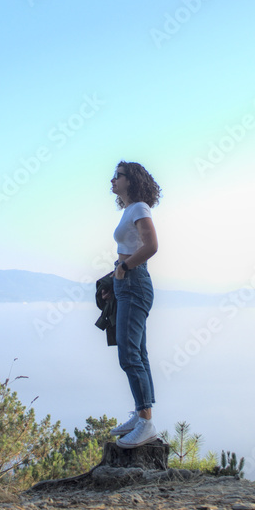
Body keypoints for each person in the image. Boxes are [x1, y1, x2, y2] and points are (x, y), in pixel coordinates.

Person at [106, 160, 160, 448]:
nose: (113, 181)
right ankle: (142, 417)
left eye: (118, 176)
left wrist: (124, 270)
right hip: (127, 282)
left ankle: (146, 423)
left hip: (134, 281)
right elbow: (129, 248)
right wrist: (115, 278)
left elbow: (151, 246)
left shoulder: (139, 207)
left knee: (129, 355)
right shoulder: (130, 209)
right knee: (138, 352)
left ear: (132, 180)